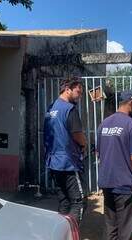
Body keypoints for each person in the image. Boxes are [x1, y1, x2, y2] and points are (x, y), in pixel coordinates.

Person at [97, 90, 132, 240]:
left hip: (107, 183)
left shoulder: (104, 124)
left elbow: (99, 153)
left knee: (110, 226)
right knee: (126, 231)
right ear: (131, 102)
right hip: (126, 186)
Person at [44, 77, 87, 225]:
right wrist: (84, 144)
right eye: (78, 92)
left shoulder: (51, 108)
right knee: (79, 202)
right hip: (69, 162)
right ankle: (70, 234)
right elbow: (77, 134)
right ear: (67, 89)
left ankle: (60, 233)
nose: (80, 96)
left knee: (64, 201)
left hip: (54, 162)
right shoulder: (69, 109)